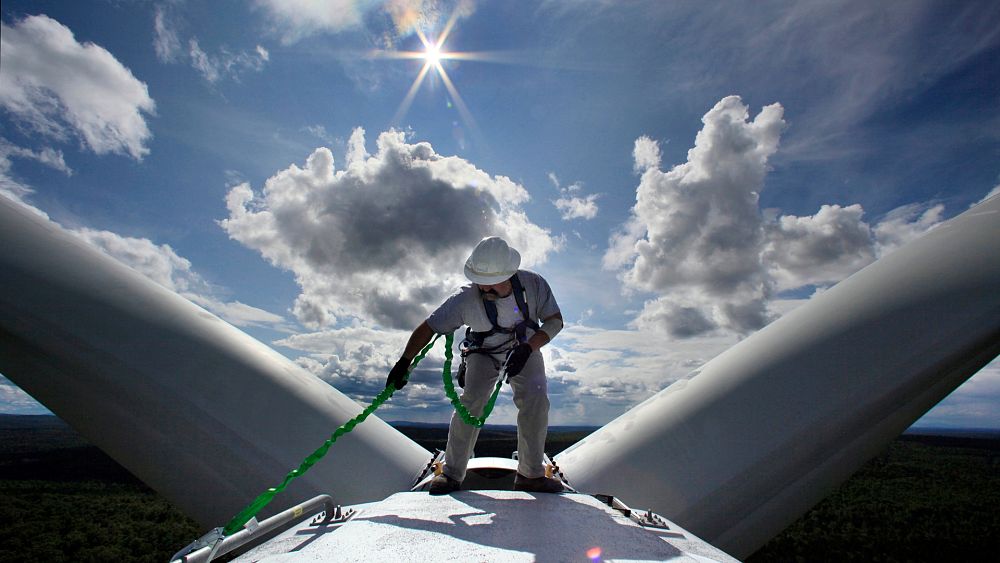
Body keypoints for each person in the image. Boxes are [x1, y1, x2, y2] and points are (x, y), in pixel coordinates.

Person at [386, 236, 565, 495]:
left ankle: (531, 475)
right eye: (481, 284)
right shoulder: (464, 299)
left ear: (511, 274)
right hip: (483, 350)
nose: (486, 291)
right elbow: (428, 327)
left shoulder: (534, 285)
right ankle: (451, 474)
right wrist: (404, 361)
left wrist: (528, 347)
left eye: (493, 285)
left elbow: (554, 320)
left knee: (536, 399)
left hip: (526, 347)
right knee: (472, 401)